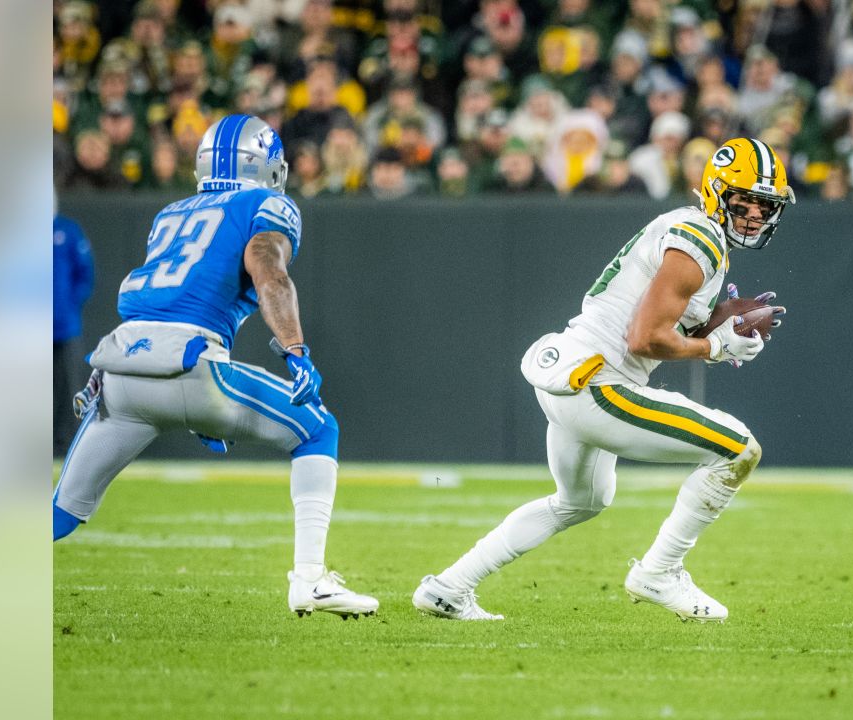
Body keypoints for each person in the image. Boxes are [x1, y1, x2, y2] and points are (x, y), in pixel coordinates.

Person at [414, 138, 794, 622]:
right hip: (603, 383)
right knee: (740, 449)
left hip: (576, 374)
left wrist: (718, 322)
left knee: (582, 500)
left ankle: (449, 587)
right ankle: (660, 571)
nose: (758, 215)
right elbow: (644, 338)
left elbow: (657, 321)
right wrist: (716, 347)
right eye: (749, 202)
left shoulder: (688, 228)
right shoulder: (698, 239)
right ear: (718, 191)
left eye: (767, 205)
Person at [52, 114, 379, 620]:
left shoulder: (172, 212)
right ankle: (310, 579)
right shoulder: (267, 204)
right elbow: (267, 269)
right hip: (188, 365)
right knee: (317, 428)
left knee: (60, 513)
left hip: (118, 368)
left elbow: (167, 295)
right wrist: (295, 349)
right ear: (269, 167)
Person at [53, 204, 95, 456]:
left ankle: (68, 443)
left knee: (68, 385)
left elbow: (85, 274)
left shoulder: (67, 230)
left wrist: (68, 305)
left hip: (64, 325)